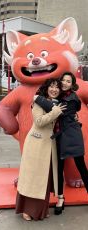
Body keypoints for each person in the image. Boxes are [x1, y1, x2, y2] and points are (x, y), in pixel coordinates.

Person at [35, 72, 88, 216]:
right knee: (59, 168)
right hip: (59, 137)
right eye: (63, 80)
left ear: (72, 84)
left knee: (81, 167)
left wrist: (37, 99)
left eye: (68, 81)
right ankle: (60, 199)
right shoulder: (59, 96)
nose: (65, 83)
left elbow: (56, 111)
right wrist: (39, 97)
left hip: (72, 136)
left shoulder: (71, 98)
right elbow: (50, 101)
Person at [16, 79, 66, 221]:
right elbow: (38, 122)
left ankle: (41, 210)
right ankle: (27, 209)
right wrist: (55, 112)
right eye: (51, 86)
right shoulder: (39, 101)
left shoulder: (58, 104)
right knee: (33, 178)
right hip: (36, 144)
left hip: (50, 145)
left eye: (57, 87)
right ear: (46, 88)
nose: (54, 89)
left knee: (44, 179)